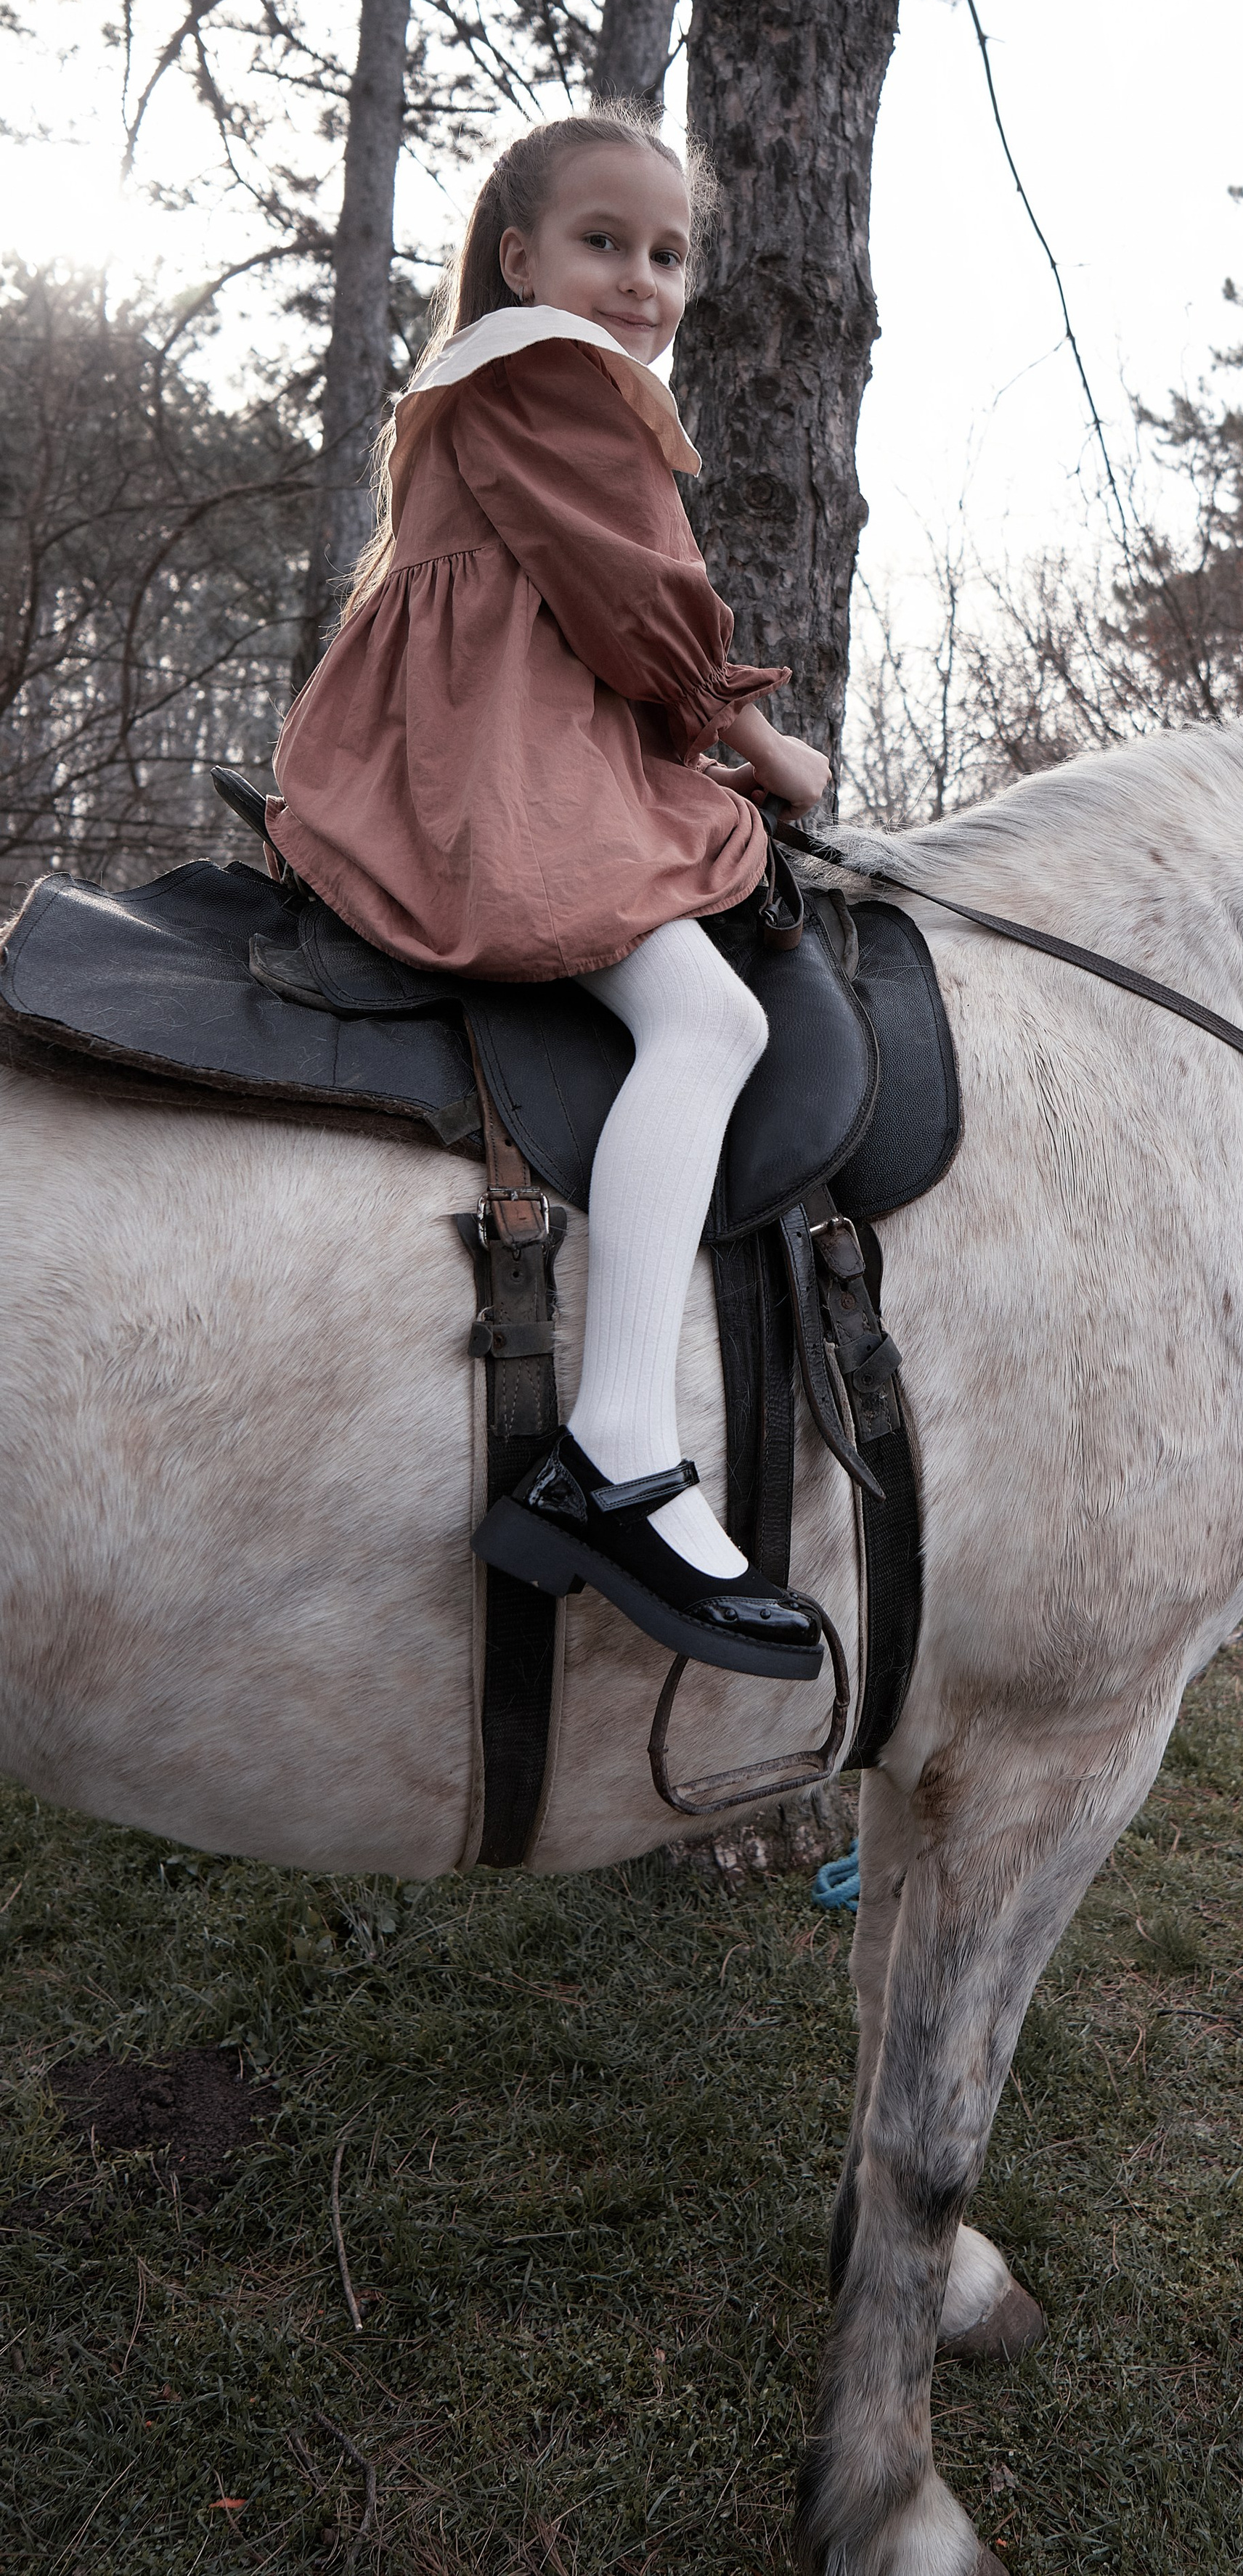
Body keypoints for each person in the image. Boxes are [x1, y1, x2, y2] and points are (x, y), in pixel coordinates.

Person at [266, 103, 831, 1680]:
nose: (640, 280)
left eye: (666, 254)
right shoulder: (545, 366)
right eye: (604, 242)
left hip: (503, 736)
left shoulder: (490, 383)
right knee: (708, 1024)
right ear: (518, 259)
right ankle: (620, 1447)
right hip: (497, 766)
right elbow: (641, 601)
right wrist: (760, 746)